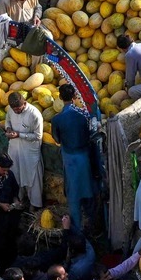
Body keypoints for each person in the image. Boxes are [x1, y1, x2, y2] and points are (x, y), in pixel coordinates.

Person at [51, 84, 95, 232]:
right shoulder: (84, 115)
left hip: (69, 159)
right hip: (84, 157)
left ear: (60, 97)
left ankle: (76, 228)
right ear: (75, 97)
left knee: (73, 191)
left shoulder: (57, 119)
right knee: (88, 188)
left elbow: (56, 139)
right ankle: (93, 222)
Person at [4, 92, 44, 209]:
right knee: (15, 175)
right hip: (14, 149)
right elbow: (7, 121)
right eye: (14, 109)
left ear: (24, 103)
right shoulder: (11, 111)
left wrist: (19, 135)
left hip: (30, 152)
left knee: (33, 178)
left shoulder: (34, 114)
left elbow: (38, 136)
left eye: (18, 109)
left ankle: (34, 204)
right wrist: (8, 129)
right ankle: (19, 200)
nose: (16, 111)